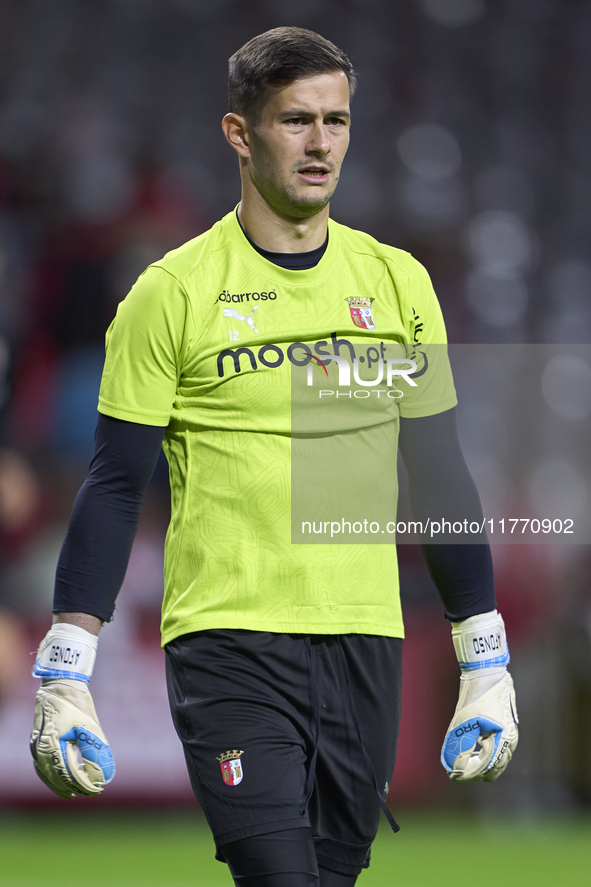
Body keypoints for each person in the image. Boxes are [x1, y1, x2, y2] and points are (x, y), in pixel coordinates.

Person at [30, 27, 518, 887]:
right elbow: (114, 483)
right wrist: (66, 664)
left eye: (336, 120)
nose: (321, 143)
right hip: (228, 641)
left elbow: (438, 471)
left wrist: (484, 654)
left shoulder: (398, 283)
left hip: (364, 638)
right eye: (296, 120)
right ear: (239, 132)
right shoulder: (172, 292)